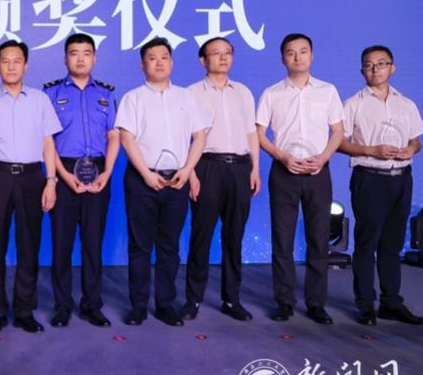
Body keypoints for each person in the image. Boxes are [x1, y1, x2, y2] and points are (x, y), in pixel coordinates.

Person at [116, 37, 210, 327]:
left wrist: (187, 169)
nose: (159, 62)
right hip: (142, 179)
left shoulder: (186, 97)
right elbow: (127, 138)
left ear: (172, 62)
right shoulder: (133, 98)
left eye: (164, 57)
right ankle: (138, 306)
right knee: (140, 246)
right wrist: (146, 174)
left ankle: (165, 304)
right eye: (152, 58)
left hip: (177, 180)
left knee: (169, 246)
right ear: (142, 65)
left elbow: (200, 136)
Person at [339, 45, 423, 326]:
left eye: (381, 63)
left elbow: (416, 140)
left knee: (392, 244)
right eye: (369, 65)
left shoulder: (406, 103)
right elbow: (339, 143)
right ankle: (366, 304)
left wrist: (410, 150)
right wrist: (372, 150)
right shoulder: (353, 104)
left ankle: (391, 303)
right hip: (370, 178)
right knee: (367, 243)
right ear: (362, 70)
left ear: (393, 67)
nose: (375, 69)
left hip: (401, 178)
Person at [256, 33, 344, 325]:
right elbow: (259, 134)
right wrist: (281, 156)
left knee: (318, 239)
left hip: (318, 172)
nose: (297, 57)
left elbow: (338, 131)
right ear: (283, 58)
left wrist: (324, 158)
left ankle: (316, 303)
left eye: (303, 51)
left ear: (312, 56)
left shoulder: (328, 91)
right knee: (282, 239)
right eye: (291, 52)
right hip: (284, 172)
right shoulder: (271, 93)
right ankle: (284, 302)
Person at [0, 40, 60, 334]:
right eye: (5, 61)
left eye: (17, 61)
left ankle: (24, 310)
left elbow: (48, 143)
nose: (11, 66)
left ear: (26, 65)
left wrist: (51, 181)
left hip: (32, 177)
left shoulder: (40, 100)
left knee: (29, 245)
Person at [43, 32, 119, 329]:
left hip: (98, 172)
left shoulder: (107, 94)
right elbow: (47, 140)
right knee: (61, 243)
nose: (80, 59)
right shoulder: (50, 93)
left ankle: (92, 305)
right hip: (64, 171)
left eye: (86, 53)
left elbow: (114, 135)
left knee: (93, 243)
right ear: (65, 59)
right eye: (74, 53)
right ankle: (62, 305)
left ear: (94, 58)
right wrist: (62, 176)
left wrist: (107, 172)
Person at [183, 37, 261, 322]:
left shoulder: (243, 92)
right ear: (203, 61)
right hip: (207, 167)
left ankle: (231, 299)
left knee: (234, 237)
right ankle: (193, 299)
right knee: (201, 236)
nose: (223, 57)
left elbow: (251, 132)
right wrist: (190, 173)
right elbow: (184, 137)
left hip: (239, 168)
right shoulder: (191, 93)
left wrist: (255, 168)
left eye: (227, 52)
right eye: (216, 53)